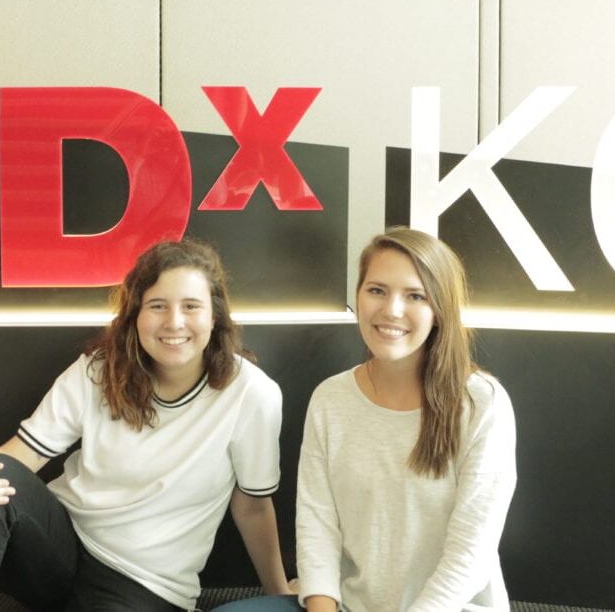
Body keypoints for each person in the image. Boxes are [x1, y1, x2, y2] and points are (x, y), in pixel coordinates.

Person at [0, 239, 291, 611]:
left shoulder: (252, 394)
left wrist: (279, 594)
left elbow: (252, 506)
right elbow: (16, 461)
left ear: (215, 316)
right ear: (135, 315)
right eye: (158, 306)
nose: (174, 322)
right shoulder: (99, 370)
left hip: (145, 586)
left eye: (191, 307)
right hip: (60, 552)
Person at [219, 227, 516, 612]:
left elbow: (470, 555)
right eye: (377, 290)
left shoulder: (481, 402)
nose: (391, 310)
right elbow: (317, 529)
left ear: (439, 310)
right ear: (358, 295)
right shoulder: (331, 399)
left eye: (415, 296)